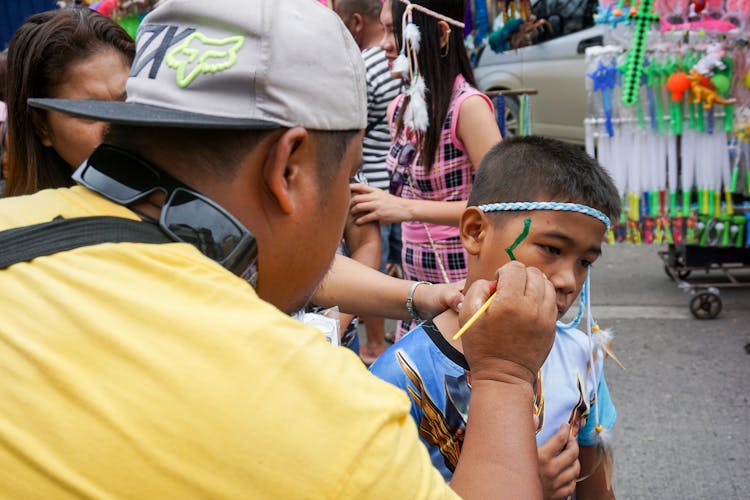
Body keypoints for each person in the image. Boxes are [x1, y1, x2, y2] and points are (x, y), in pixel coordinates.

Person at [0, 1, 557, 498]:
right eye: (349, 175)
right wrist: (505, 376)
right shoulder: (326, 413)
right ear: (288, 168)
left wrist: (419, 294)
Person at [370, 136, 621, 499]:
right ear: (475, 231)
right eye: (552, 248)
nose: (569, 281)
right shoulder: (398, 377)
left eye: (585, 262)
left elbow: (596, 487)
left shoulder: (582, 356)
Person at [350, 0, 502, 340]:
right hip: (418, 297)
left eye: (394, 31)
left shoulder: (470, 108)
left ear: (442, 33)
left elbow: (502, 208)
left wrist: (404, 209)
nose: (385, 43)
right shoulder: (399, 109)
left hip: (466, 290)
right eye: (385, 29)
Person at [335, 0, 404, 362]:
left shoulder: (363, 66)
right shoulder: (401, 68)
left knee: (376, 265)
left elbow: (355, 136)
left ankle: (375, 343)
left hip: (372, 184)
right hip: (392, 180)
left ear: (357, 21)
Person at [3, 7, 134, 197]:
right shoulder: (18, 220)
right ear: (42, 126)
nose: (120, 125)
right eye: (91, 111)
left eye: (128, 101)